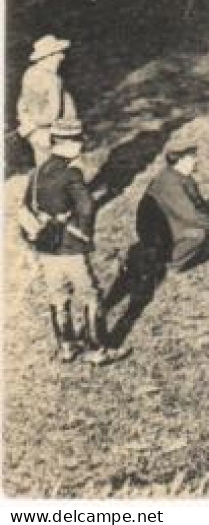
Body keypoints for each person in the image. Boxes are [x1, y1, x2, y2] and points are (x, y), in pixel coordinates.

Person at [26, 118, 125, 364]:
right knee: (90, 294)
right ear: (69, 143)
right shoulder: (72, 173)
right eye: (79, 140)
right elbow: (87, 206)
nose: (81, 145)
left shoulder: (38, 171)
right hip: (70, 246)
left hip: (46, 246)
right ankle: (96, 349)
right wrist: (85, 233)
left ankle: (66, 347)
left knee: (57, 294)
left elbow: (26, 207)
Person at [141, 143, 209, 270]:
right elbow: (191, 216)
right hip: (157, 231)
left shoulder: (182, 176)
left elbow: (197, 201)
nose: (197, 160)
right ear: (181, 160)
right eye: (192, 156)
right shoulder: (171, 183)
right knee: (198, 233)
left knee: (202, 225)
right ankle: (170, 262)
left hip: (170, 218)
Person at [16, 35, 78, 167]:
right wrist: (42, 124)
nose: (62, 57)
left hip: (34, 131)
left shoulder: (29, 73)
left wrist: (29, 123)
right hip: (57, 132)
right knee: (63, 168)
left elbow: (22, 103)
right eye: (58, 53)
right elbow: (54, 114)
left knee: (43, 168)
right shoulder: (52, 80)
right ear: (49, 56)